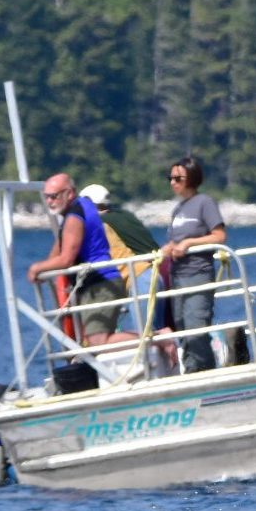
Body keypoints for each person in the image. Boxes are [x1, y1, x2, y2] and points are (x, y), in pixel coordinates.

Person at [27, 174, 128, 346]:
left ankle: (159, 339)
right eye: (46, 197)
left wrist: (36, 268)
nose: (50, 201)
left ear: (69, 193)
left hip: (99, 284)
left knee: (98, 342)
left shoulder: (74, 217)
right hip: (104, 282)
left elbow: (66, 258)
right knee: (99, 341)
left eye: (54, 196)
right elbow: (61, 245)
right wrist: (46, 267)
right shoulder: (83, 205)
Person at [163, 156, 227, 374]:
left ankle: (201, 371)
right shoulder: (177, 210)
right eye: (170, 178)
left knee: (196, 327)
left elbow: (219, 236)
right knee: (182, 326)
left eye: (177, 178)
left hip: (198, 273)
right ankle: (195, 370)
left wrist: (189, 243)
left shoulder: (205, 203)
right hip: (177, 276)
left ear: (190, 177)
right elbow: (173, 241)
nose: (173, 182)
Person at [80, 183, 162, 327]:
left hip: (140, 278)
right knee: (156, 330)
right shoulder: (124, 215)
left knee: (146, 334)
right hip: (157, 271)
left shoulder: (101, 223)